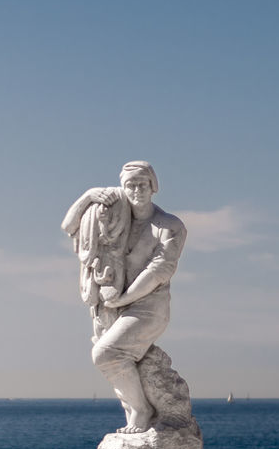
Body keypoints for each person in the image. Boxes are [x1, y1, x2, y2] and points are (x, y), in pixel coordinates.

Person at [62, 161, 186, 433]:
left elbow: (158, 271)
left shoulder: (169, 226)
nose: (137, 190)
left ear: (154, 186)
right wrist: (88, 196)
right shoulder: (110, 214)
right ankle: (133, 411)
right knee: (114, 361)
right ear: (123, 186)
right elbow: (69, 226)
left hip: (148, 308)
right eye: (130, 184)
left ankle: (142, 411)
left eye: (143, 184)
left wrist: (122, 300)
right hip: (109, 305)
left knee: (106, 354)